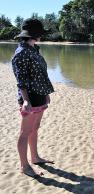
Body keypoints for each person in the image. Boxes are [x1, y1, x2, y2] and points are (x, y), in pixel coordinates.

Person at [11, 18, 54, 177]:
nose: (41, 36)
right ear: (33, 35)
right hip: (30, 97)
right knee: (25, 132)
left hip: (40, 95)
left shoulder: (34, 48)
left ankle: (35, 157)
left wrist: (46, 92)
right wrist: (26, 100)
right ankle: (24, 166)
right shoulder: (21, 52)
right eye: (40, 33)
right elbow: (20, 79)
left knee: (34, 129)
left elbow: (41, 74)